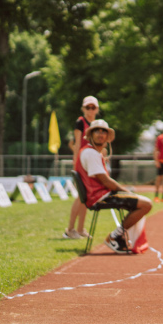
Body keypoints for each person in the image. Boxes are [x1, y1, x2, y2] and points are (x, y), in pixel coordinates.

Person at [75, 119, 152, 253]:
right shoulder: (90, 153)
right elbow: (105, 181)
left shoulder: (91, 152)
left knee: (139, 201)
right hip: (99, 197)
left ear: (107, 136)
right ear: (91, 135)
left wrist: (127, 192)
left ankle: (118, 236)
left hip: (101, 195)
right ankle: (115, 237)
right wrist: (126, 191)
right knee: (146, 204)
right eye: (97, 131)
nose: (100, 134)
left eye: (103, 131)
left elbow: (105, 181)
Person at [63, 96, 99, 239]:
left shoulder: (97, 124)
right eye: (87, 107)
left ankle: (80, 229)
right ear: (83, 109)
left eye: (93, 107)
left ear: (97, 109)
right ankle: (70, 229)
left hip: (92, 164)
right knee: (81, 196)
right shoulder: (81, 122)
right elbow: (77, 144)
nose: (90, 110)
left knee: (87, 197)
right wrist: (76, 162)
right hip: (82, 164)